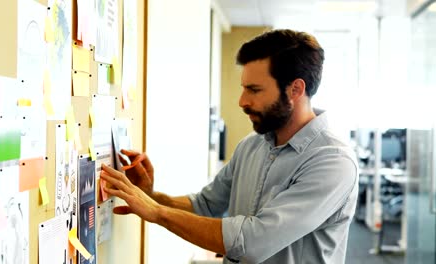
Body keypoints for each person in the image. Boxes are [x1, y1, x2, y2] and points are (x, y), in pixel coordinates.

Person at [100, 29, 358, 264]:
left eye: (254, 90)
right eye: (243, 88)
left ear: (295, 89)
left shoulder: (332, 162)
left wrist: (156, 212)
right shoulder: (252, 146)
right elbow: (205, 205)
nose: (242, 101)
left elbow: (252, 242)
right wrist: (151, 196)